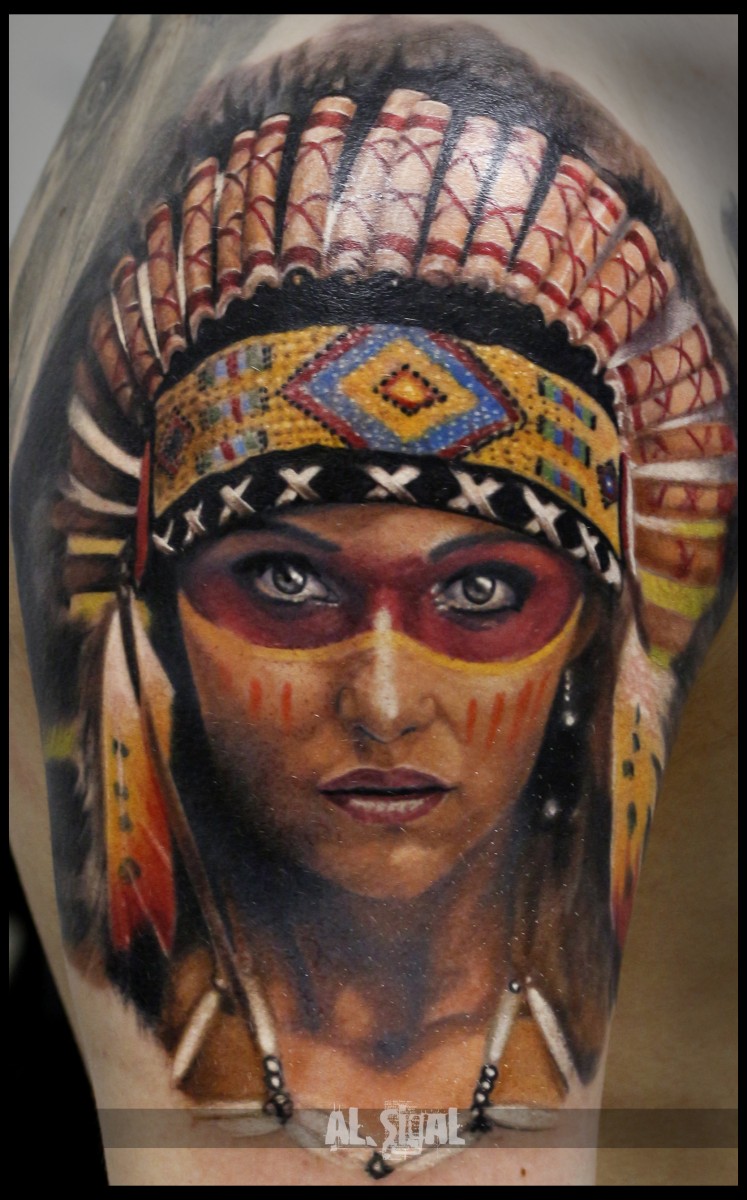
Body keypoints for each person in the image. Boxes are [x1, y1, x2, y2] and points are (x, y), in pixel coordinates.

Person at [10, 15, 737, 1185]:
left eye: (482, 591)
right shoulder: (380, 194)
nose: (386, 703)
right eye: (287, 583)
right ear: (158, 612)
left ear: (592, 627)